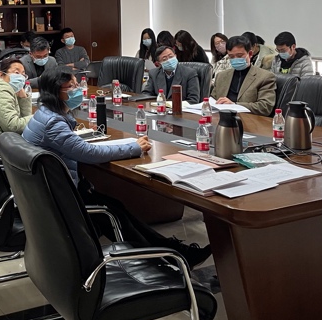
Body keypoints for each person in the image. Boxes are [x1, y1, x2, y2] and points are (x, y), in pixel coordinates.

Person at [22, 66, 211, 268]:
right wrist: (133, 147)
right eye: (72, 86)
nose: (78, 90)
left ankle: (172, 250)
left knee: (115, 206)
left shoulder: (46, 114)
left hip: (48, 191)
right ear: (55, 91)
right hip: (56, 197)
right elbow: (89, 153)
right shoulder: (53, 123)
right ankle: (162, 259)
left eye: (77, 85)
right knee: (111, 212)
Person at [211, 36, 276, 116]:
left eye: (239, 55)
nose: (235, 59)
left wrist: (234, 105)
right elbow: (213, 100)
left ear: (250, 54)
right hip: (221, 118)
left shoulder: (265, 77)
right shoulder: (221, 76)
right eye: (231, 56)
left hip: (248, 120)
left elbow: (265, 107)